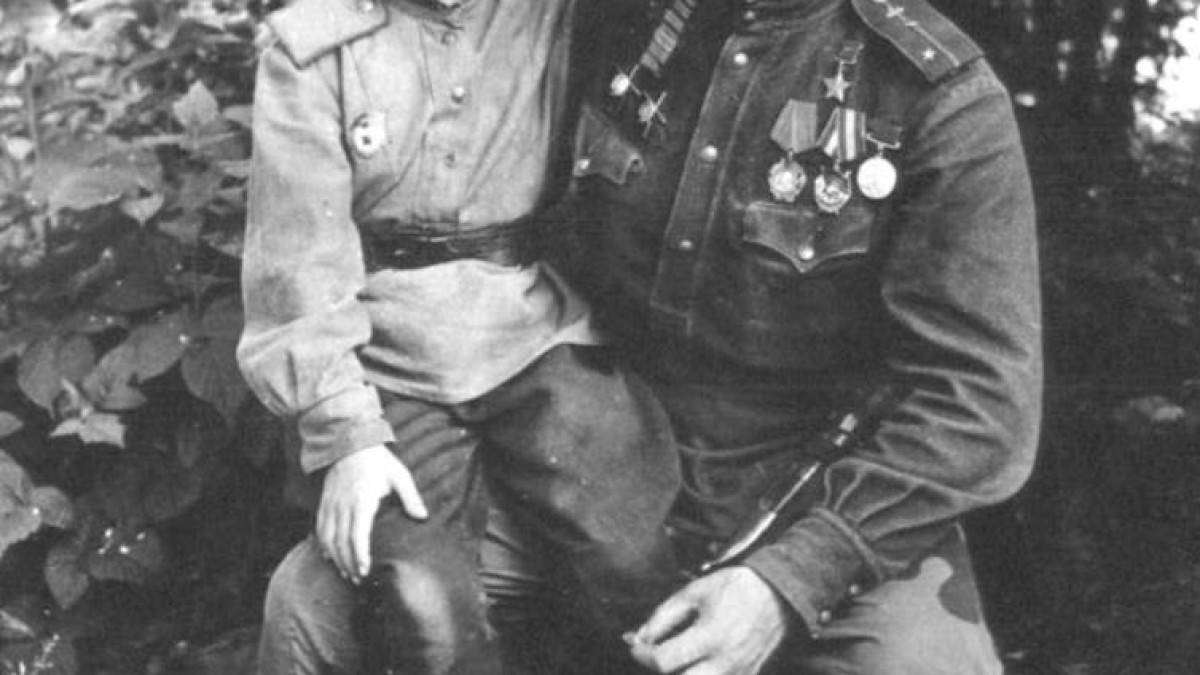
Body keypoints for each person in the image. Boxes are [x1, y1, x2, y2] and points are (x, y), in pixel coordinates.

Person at [483, 0, 1043, 673]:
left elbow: (982, 404)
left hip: (821, 490)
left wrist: (793, 578)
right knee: (393, 593)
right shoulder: (618, 23)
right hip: (589, 444)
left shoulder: (938, 95)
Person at [236, 0, 684, 673]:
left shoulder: (551, 13)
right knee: (423, 613)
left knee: (643, 560)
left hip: (536, 332)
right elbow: (296, 265)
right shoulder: (315, 47)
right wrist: (348, 436)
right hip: (381, 357)